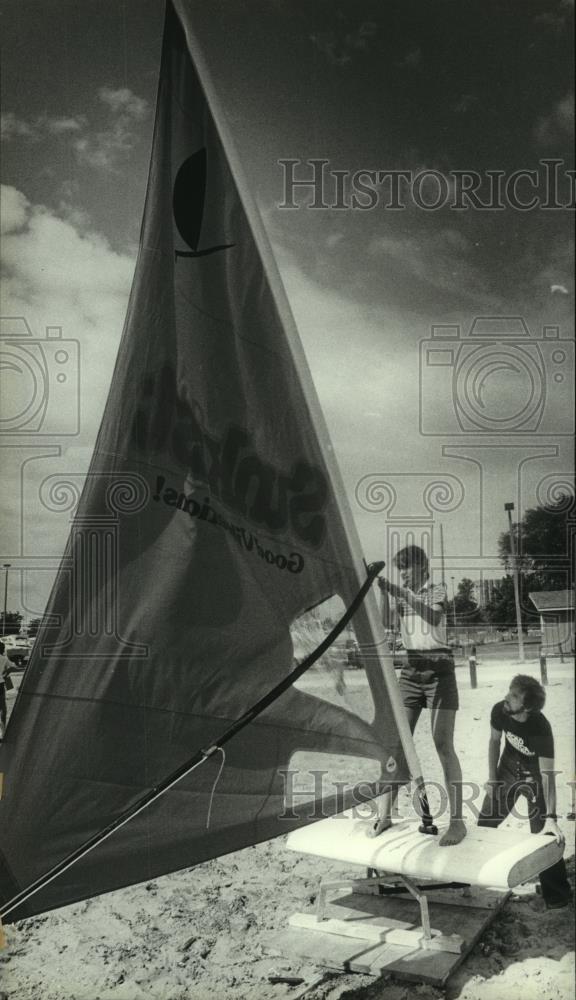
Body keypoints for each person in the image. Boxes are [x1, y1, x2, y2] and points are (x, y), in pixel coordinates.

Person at [370, 545, 466, 846]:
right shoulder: (404, 593)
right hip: (411, 670)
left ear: (422, 568)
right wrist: (385, 592)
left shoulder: (436, 589)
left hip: (440, 670)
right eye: (400, 570)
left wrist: (403, 593)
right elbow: (386, 623)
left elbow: (434, 618)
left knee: (442, 744)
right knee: (396, 744)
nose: (404, 574)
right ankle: (385, 814)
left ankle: (458, 822)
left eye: (407, 568)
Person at [478, 674, 571, 909]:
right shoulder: (500, 710)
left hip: (535, 776)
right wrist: (492, 778)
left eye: (514, 695)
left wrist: (551, 818)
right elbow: (493, 742)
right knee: (484, 822)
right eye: (509, 691)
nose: (507, 697)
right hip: (508, 766)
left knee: (545, 837)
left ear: (527, 706)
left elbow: (548, 775)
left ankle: (557, 897)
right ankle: (476, 880)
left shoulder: (540, 727)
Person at [0, 641, 13, 740]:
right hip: (0, 684)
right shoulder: (4, 658)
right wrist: (6, 672)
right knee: (3, 708)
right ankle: (3, 732)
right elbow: (13, 666)